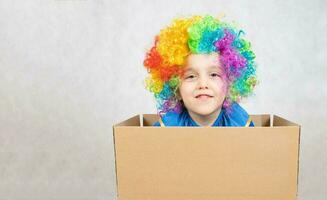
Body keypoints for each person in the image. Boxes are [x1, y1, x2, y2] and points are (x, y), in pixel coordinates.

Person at [143, 15, 258, 127]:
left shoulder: (240, 124)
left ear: (231, 84)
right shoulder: (167, 127)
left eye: (214, 74)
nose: (203, 84)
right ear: (175, 88)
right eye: (191, 76)